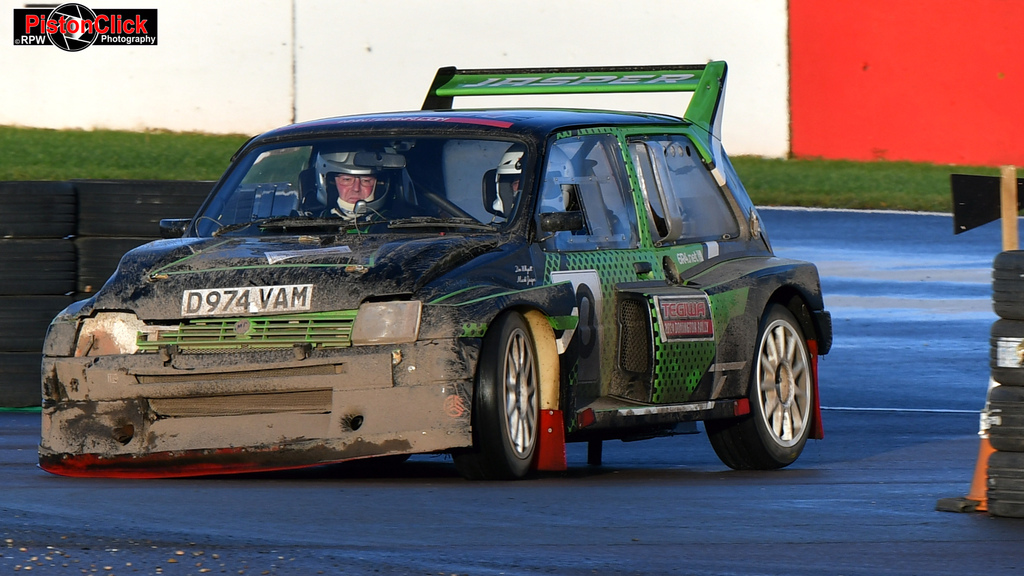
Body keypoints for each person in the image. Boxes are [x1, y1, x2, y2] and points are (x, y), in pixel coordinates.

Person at [313, 151, 387, 219]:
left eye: (366, 181)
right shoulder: (312, 225)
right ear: (331, 183)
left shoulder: (389, 226)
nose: (356, 189)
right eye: (347, 179)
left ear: (377, 185)